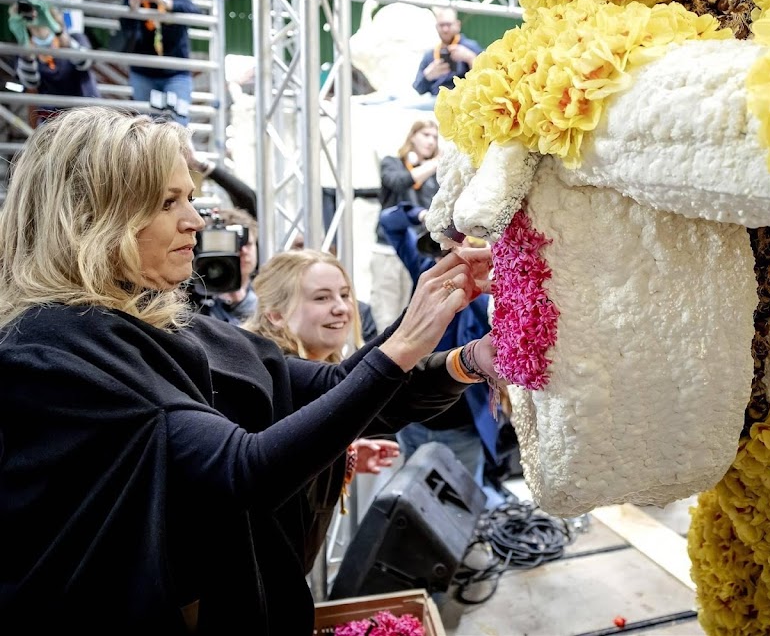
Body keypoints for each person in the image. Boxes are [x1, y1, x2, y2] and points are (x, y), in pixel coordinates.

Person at [0, 106, 498, 633]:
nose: (194, 220)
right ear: (90, 216)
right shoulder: (53, 347)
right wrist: (400, 346)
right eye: (168, 202)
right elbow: (244, 473)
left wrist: (466, 358)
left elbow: (334, 387)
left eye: (189, 197)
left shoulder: (167, 322)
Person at [244, 248, 402, 563]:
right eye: (322, 298)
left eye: (345, 295)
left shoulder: (307, 366)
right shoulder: (271, 380)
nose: (342, 308)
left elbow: (289, 458)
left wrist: (342, 457)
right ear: (276, 315)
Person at [379, 202, 505, 508]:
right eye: (444, 246)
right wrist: (427, 216)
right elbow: (390, 221)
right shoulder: (427, 274)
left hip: (460, 427)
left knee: (458, 510)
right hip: (412, 422)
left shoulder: (486, 291)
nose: (450, 254)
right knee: (412, 505)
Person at [372, 120, 441, 328]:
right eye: (425, 135)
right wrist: (435, 163)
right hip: (388, 251)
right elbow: (399, 181)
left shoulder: (435, 174)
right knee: (386, 314)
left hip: (419, 252)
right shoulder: (392, 162)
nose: (431, 141)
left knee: (411, 317)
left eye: (434, 137)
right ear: (412, 136)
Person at [119, 0, 200, 125]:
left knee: (178, 122)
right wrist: (132, 10)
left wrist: (165, 1)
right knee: (148, 126)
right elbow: (127, 35)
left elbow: (195, 12)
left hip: (176, 73)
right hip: (143, 72)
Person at [7, 0, 98, 120]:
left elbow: (85, 62)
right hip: (52, 119)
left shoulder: (76, 38)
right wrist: (25, 46)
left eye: (37, 11)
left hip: (86, 113)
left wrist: (57, 30)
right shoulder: (24, 53)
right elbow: (30, 82)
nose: (34, 16)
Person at [193, 206, 260, 325]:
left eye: (248, 244)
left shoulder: (269, 295)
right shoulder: (192, 300)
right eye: (235, 245)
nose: (243, 251)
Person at [412, 7, 482, 97]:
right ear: (436, 27)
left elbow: (485, 78)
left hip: (462, 98)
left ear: (458, 25)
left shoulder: (471, 47)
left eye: (448, 25)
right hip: (435, 99)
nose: (445, 29)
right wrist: (428, 75)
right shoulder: (430, 54)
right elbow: (418, 89)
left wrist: (470, 59)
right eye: (441, 25)